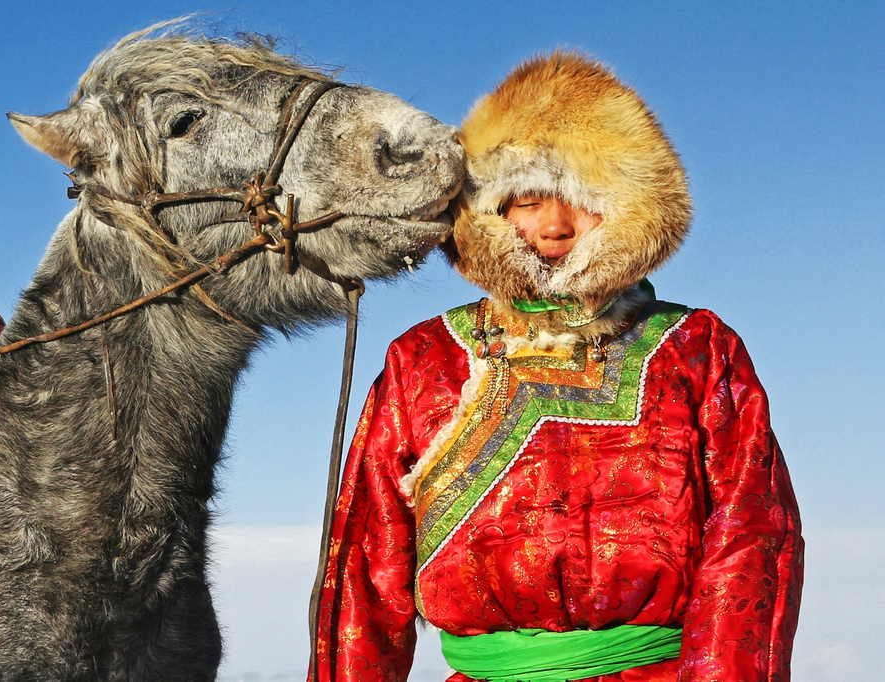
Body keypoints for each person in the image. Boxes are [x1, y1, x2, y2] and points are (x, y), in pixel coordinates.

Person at [312, 52, 802, 682]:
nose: (554, 225)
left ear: (632, 205)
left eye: (582, 199)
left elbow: (752, 536)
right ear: (484, 210)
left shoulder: (696, 346)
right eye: (525, 200)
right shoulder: (422, 359)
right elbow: (363, 571)